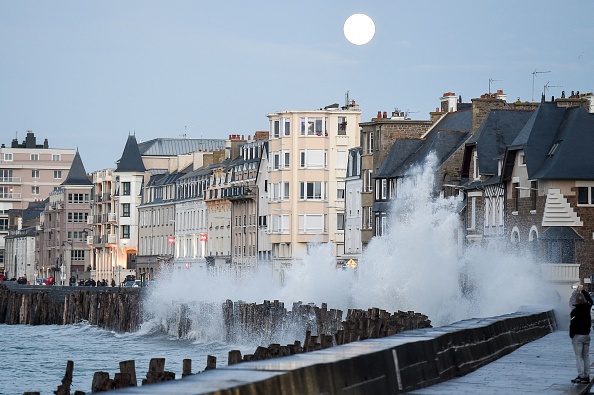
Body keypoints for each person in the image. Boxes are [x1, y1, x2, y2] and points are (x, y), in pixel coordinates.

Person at [570, 284, 593, 384]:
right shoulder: (587, 308)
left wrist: (571, 335)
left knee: (579, 357)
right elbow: (590, 301)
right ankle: (587, 375)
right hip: (587, 335)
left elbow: (572, 325)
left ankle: (581, 376)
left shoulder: (574, 311)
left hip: (578, 336)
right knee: (586, 356)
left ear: (576, 302)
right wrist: (583, 291)